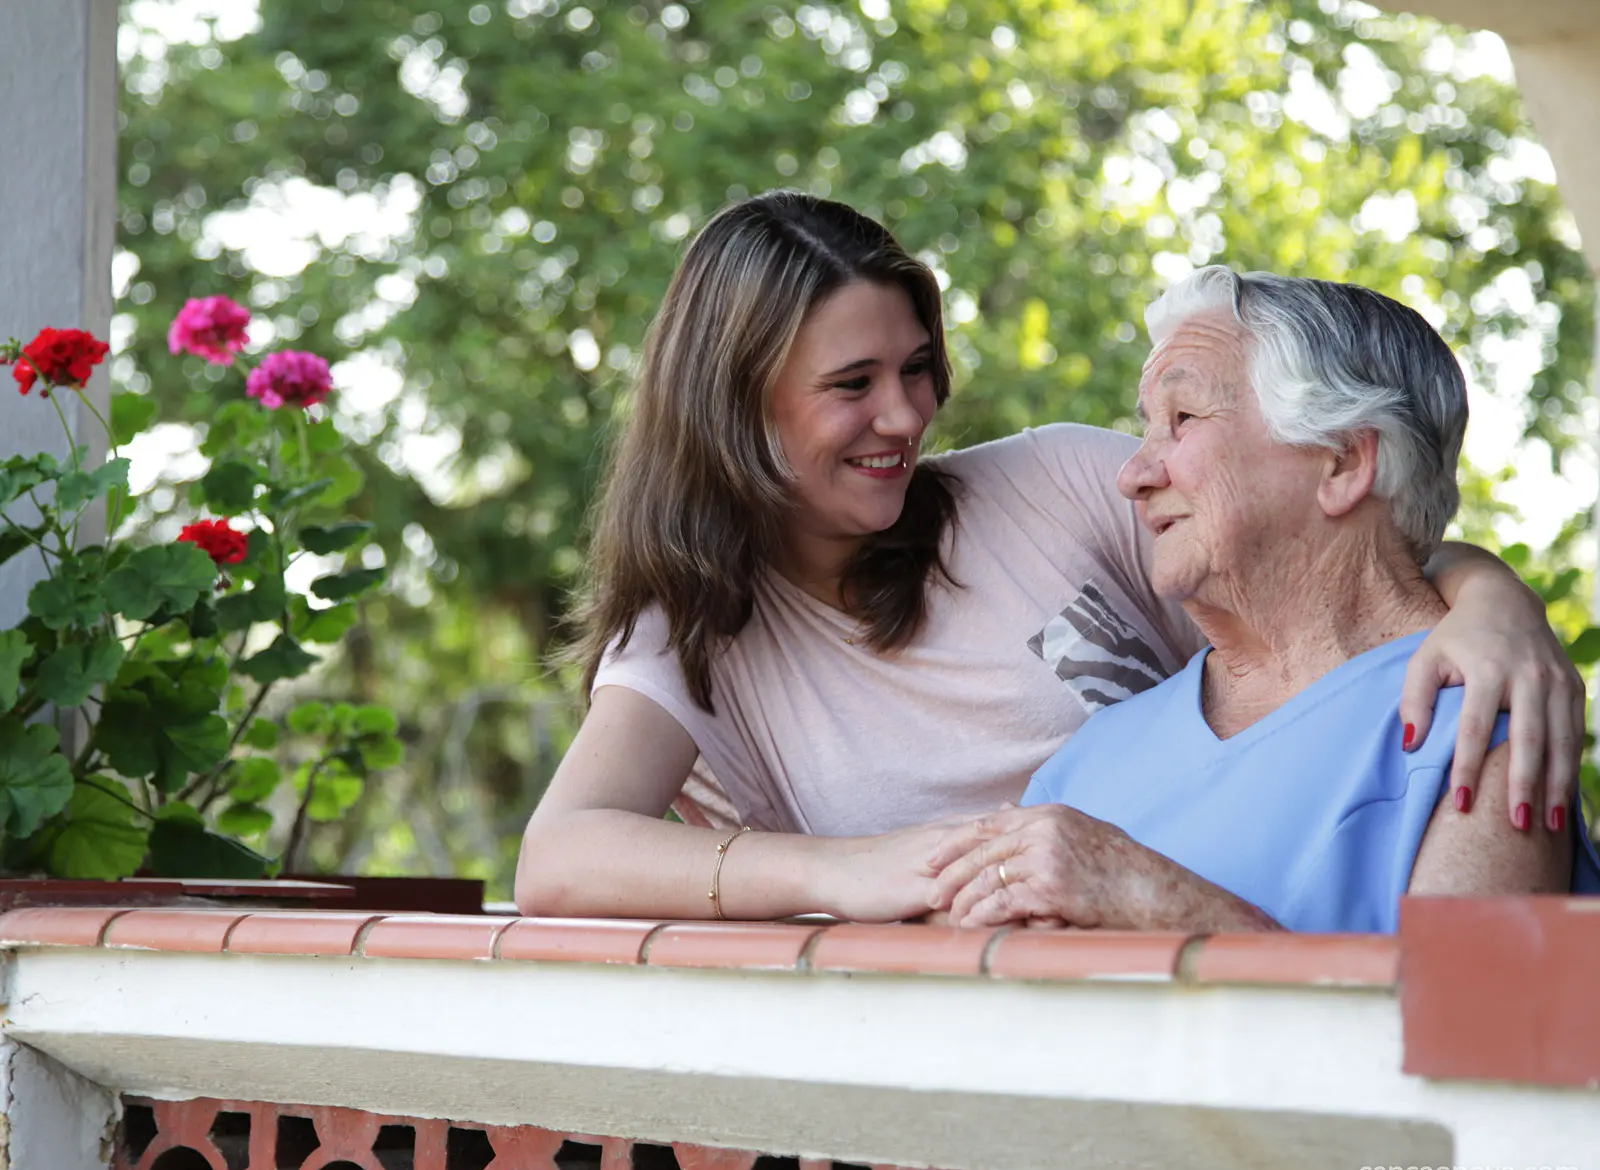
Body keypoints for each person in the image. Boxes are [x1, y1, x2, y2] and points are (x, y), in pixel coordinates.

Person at [514, 192, 1583, 923]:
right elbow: (559, 856)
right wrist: (851, 872)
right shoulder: (698, 636)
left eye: (919, 367)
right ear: (733, 405)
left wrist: (1491, 607)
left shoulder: (1051, 485)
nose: (906, 414)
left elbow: (1326, 537)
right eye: (852, 385)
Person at [929, 269, 1600, 935]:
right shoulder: (1090, 757)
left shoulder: (1484, 713)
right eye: (1146, 429)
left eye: (1183, 418)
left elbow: (1456, 1032)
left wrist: (1148, 897)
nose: (1133, 476)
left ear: (1341, 461)